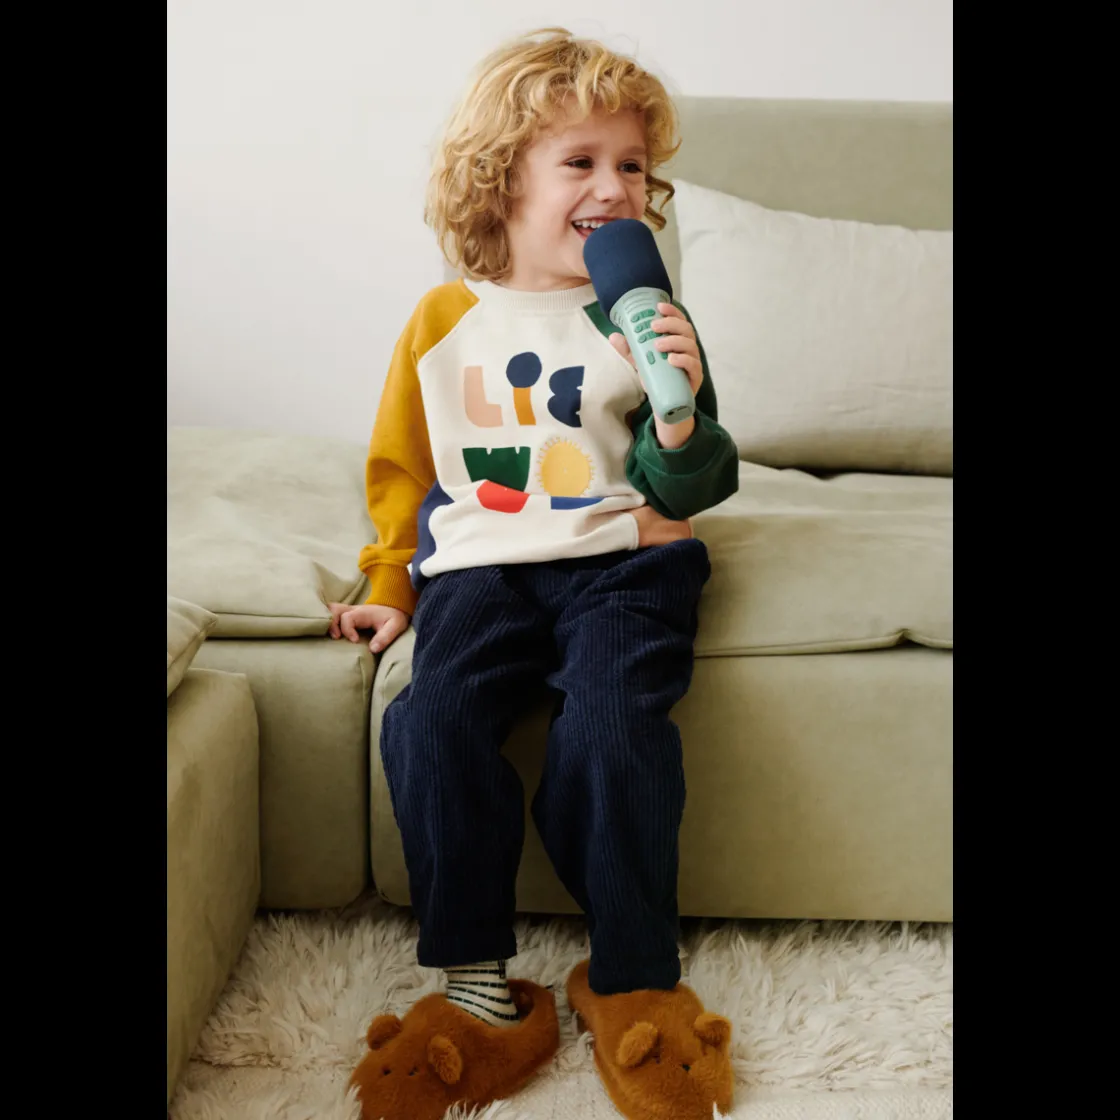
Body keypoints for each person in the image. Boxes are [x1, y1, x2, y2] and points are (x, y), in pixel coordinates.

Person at [332, 28, 738, 1120]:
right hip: (483, 569)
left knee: (610, 726)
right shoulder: (444, 321)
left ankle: (631, 974)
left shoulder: (642, 316)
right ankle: (477, 983)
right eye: (581, 162)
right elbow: (404, 468)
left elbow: (697, 476)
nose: (616, 187)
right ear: (500, 180)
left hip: (623, 564)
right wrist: (389, 584)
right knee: (428, 722)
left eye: (632, 166)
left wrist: (677, 411)